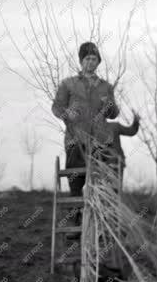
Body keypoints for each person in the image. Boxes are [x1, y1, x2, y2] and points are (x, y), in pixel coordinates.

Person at [51, 42, 119, 197]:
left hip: (100, 141)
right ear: (81, 61)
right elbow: (56, 107)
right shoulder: (68, 84)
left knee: (101, 184)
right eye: (87, 58)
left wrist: (110, 107)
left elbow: (114, 113)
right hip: (75, 140)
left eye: (94, 59)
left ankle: (97, 218)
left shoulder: (106, 87)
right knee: (75, 182)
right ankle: (75, 215)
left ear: (98, 62)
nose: (90, 62)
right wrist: (67, 113)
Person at [105, 112, 140, 189]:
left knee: (105, 189)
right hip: (116, 162)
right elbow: (132, 131)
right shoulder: (114, 126)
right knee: (116, 188)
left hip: (104, 163)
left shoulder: (93, 129)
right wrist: (136, 121)